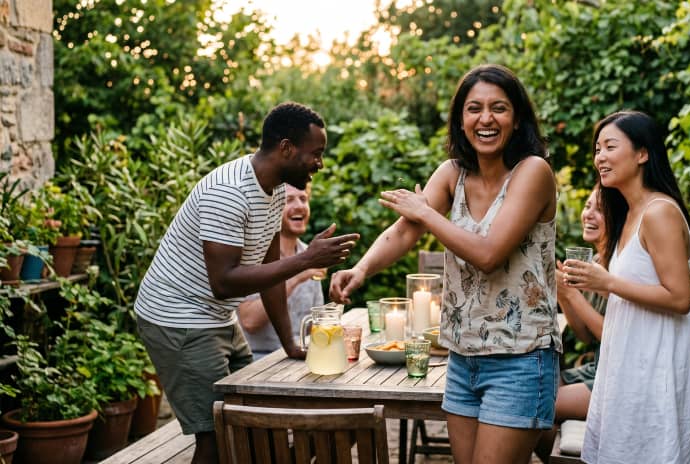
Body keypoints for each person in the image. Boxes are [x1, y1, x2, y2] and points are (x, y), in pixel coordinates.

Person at [330, 64, 560, 464]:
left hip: (521, 359)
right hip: (462, 357)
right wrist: (362, 269)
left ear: (517, 117)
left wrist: (428, 213)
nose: (485, 119)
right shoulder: (452, 173)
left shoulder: (533, 172)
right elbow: (405, 231)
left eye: (499, 108)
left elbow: (489, 254)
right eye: (474, 109)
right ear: (460, 119)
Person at [134, 102, 359, 464]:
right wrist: (306, 259)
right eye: (315, 154)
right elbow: (224, 282)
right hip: (178, 319)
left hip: (216, 317)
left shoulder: (271, 191)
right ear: (286, 148)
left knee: (253, 423)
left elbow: (271, 270)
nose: (320, 163)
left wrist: (289, 344)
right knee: (215, 437)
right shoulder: (230, 192)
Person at [563, 110, 690, 463]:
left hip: (654, 364)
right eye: (598, 149)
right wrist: (594, 284)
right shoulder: (628, 212)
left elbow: (679, 298)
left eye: (610, 146)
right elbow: (639, 285)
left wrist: (607, 282)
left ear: (642, 154)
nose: (600, 157)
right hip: (630, 358)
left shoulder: (660, 212)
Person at [534, 186, 607, 462]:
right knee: (534, 389)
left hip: (611, 379)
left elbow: (609, 336)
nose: (589, 214)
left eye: (599, 209)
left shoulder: (615, 269)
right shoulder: (597, 260)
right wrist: (563, 295)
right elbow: (586, 336)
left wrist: (572, 294)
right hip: (596, 368)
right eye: (588, 206)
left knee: (535, 406)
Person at [237, 183, 325, 360]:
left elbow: (316, 324)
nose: (299, 206)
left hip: (299, 357)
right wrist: (298, 276)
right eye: (289, 200)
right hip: (257, 360)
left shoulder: (309, 253)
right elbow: (249, 321)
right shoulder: (253, 256)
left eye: (303, 199)